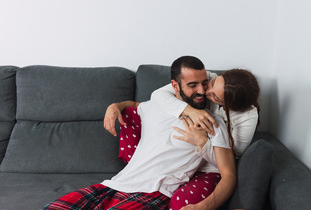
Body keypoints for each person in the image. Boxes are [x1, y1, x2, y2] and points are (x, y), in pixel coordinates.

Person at [43, 56, 236, 210]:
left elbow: (229, 175)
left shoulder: (213, 122)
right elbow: (135, 106)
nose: (202, 91)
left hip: (153, 193)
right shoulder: (156, 106)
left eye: (204, 83)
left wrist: (203, 207)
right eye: (192, 85)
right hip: (114, 185)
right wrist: (115, 106)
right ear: (175, 86)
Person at [104, 57, 260, 210]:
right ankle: (140, 172)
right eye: (210, 84)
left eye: (215, 97)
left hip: (210, 165)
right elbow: (155, 97)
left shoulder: (233, 120)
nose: (206, 92)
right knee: (131, 114)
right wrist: (189, 111)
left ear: (228, 105)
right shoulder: (205, 80)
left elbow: (230, 161)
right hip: (168, 162)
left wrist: (202, 144)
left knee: (182, 204)